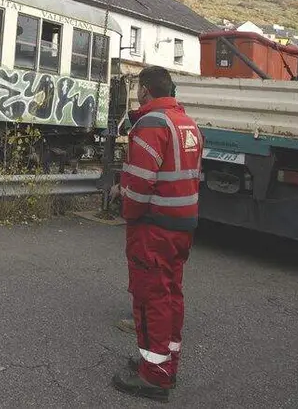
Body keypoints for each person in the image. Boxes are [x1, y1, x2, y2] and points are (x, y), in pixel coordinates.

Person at [111, 65, 202, 402]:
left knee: (150, 299)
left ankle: (154, 376)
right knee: (170, 296)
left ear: (145, 89)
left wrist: (126, 207)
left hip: (153, 228)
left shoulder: (151, 124)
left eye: (138, 87)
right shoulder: (186, 122)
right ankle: (164, 362)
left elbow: (139, 185)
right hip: (181, 227)